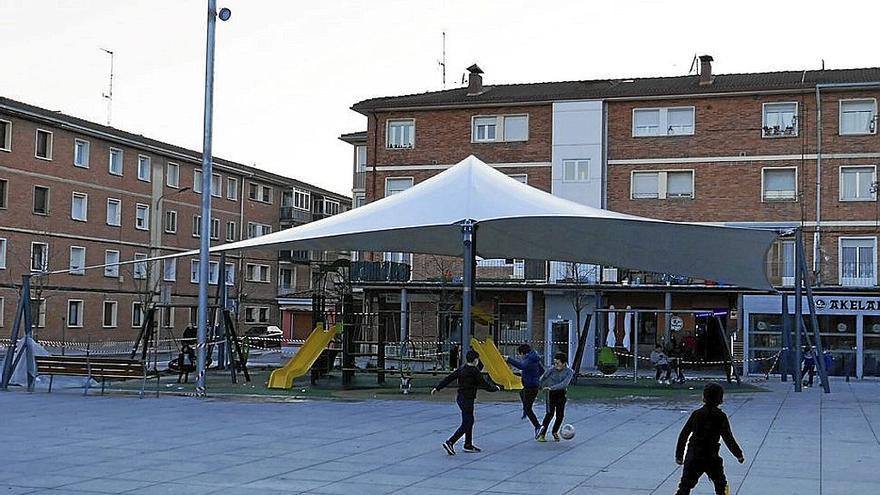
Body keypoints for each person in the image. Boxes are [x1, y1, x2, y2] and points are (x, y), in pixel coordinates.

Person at [675, 382, 745, 495]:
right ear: (720, 399)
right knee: (720, 485)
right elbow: (728, 438)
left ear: (704, 397)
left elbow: (684, 434)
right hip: (711, 456)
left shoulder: (697, 414)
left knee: (685, 486)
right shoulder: (721, 417)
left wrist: (679, 455)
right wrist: (738, 454)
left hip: (694, 455)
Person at [432, 349, 500, 455]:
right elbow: (484, 385)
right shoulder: (474, 371)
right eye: (477, 359)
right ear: (475, 360)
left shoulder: (462, 368)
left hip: (461, 398)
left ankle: (468, 444)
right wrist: (496, 388)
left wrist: (438, 388)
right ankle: (450, 442)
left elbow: (449, 378)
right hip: (468, 400)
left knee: (468, 421)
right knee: (467, 423)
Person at [506, 344, 544, 438]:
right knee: (521, 393)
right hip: (533, 385)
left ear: (523, 353)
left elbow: (521, 366)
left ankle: (537, 426)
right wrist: (533, 375)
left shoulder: (528, 359)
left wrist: (509, 359)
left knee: (528, 409)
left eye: (519, 355)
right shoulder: (534, 358)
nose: (519, 357)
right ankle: (525, 410)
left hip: (530, 386)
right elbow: (541, 370)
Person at [536, 352, 574, 442]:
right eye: (555, 363)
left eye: (558, 363)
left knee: (560, 415)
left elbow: (564, 384)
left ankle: (554, 431)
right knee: (549, 414)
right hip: (550, 394)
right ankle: (542, 434)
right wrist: (539, 387)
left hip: (561, 394)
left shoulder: (569, 372)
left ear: (564, 363)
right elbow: (543, 377)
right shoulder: (552, 370)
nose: (556, 365)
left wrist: (552, 387)